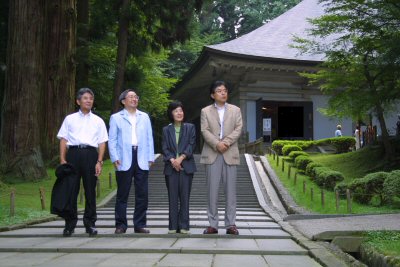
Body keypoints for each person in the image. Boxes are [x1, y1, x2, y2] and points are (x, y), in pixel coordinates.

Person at [57, 88, 108, 237]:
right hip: (73, 153)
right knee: (71, 190)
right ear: (78, 101)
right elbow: (63, 139)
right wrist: (62, 159)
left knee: (90, 190)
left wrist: (99, 161)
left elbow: (102, 142)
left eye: (91, 98)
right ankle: (69, 224)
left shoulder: (98, 121)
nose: (88, 101)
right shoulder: (69, 118)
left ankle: (90, 223)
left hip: (91, 155)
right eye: (85, 98)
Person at [108, 89, 154, 234]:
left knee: (142, 193)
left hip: (141, 156)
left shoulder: (144, 117)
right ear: (123, 101)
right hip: (124, 158)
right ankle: (121, 225)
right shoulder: (116, 117)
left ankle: (140, 224)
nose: (134, 99)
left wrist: (150, 157)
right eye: (131, 97)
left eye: (136, 97)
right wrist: (114, 157)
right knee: (122, 194)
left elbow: (149, 138)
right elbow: (112, 139)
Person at [200, 81, 243, 235]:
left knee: (231, 191)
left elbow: (238, 129)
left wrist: (226, 142)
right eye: (219, 91)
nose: (223, 93)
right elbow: (204, 131)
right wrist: (216, 144)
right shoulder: (205, 111)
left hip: (230, 153)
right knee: (212, 191)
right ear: (213, 95)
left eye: (225, 90)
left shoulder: (236, 110)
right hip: (212, 154)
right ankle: (213, 224)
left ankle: (231, 224)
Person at [162, 101, 196, 234]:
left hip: (186, 166)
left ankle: (184, 226)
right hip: (171, 168)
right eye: (176, 110)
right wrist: (172, 160)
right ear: (171, 113)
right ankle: (172, 226)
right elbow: (164, 147)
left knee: (185, 197)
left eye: (181, 110)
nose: (179, 113)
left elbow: (191, 145)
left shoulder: (190, 127)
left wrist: (180, 158)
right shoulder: (166, 129)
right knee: (172, 197)